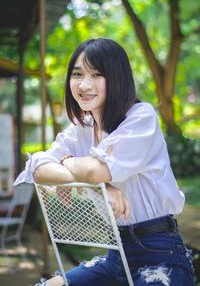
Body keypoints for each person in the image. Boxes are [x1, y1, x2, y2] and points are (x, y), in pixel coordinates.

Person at [14, 38, 194, 286]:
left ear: (117, 78)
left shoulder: (140, 117)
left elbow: (96, 170)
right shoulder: (82, 128)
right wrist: (97, 182)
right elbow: (37, 168)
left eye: (97, 74)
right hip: (115, 255)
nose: (84, 84)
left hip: (160, 256)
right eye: (77, 74)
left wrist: (78, 167)